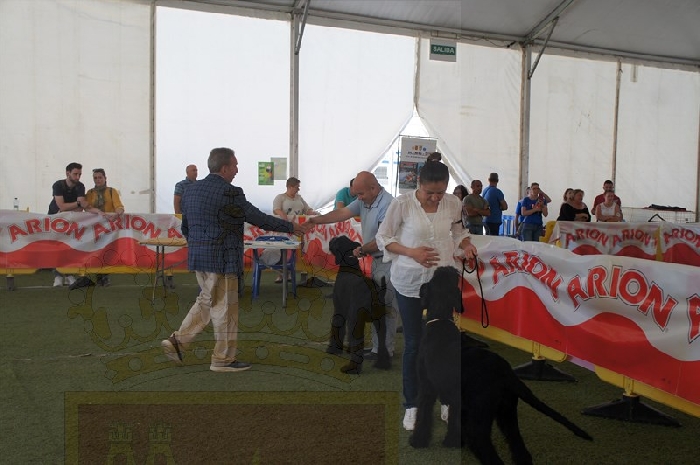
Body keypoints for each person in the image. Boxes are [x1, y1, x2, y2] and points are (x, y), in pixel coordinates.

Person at [161, 147, 310, 373]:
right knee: (225, 309)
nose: (237, 170)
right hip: (222, 258)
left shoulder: (190, 191)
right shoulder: (230, 192)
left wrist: (198, 246)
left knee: (206, 300)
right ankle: (222, 359)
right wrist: (291, 227)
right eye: (235, 165)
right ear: (224, 168)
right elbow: (257, 217)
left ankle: (178, 341)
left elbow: (186, 227)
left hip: (199, 257)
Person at [376, 160, 477, 431]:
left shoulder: (453, 203)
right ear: (418, 184)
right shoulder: (402, 204)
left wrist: (466, 245)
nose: (435, 198)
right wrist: (412, 252)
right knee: (414, 344)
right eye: (429, 192)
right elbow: (384, 238)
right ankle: (413, 404)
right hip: (410, 281)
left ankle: (446, 399)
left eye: (440, 192)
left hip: (442, 282)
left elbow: (458, 231)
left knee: (443, 344)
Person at [307, 171, 398, 362]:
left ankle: (383, 350)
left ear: (374, 188)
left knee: (385, 306)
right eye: (357, 194)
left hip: (391, 260)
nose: (358, 198)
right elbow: (342, 213)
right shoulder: (365, 199)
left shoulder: (389, 205)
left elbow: (382, 240)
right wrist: (316, 220)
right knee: (379, 303)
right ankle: (378, 347)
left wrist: (362, 249)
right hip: (377, 260)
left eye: (360, 194)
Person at [84, 168, 126, 286]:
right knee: (95, 250)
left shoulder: (112, 191)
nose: (98, 180)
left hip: (109, 227)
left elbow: (119, 206)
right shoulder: (89, 193)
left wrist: (116, 214)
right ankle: (97, 275)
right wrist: (98, 212)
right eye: (95, 178)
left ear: (105, 178)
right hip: (93, 227)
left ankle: (104, 276)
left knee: (106, 251)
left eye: (100, 177)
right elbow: (86, 208)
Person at [48, 162, 86, 287]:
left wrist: (72, 207)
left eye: (80, 174)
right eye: (75, 174)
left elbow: (80, 208)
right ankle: (58, 276)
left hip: (71, 220)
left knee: (70, 247)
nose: (78, 177)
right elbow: (61, 206)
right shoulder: (58, 185)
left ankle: (69, 274)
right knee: (57, 248)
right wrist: (78, 203)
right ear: (67, 173)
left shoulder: (80, 186)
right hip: (55, 218)